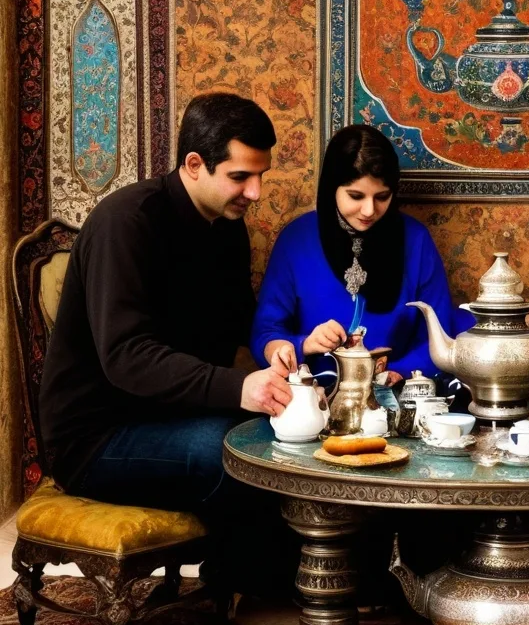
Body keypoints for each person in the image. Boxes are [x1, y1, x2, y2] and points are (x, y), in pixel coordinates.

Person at [38, 93, 296, 590]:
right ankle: (251, 585)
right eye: (241, 176)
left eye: (261, 175)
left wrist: (278, 349)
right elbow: (127, 358)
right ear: (194, 164)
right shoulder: (126, 223)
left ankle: (251, 579)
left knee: (285, 438)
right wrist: (241, 389)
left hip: (172, 414)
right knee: (236, 453)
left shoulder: (226, 227)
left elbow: (242, 318)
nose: (257, 192)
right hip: (97, 436)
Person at [251, 124, 471, 381]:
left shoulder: (415, 240)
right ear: (331, 186)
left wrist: (397, 372)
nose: (369, 210)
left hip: (395, 393)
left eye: (382, 196)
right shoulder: (296, 239)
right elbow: (265, 332)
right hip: (314, 392)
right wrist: (302, 345)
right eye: (355, 196)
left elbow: (441, 336)